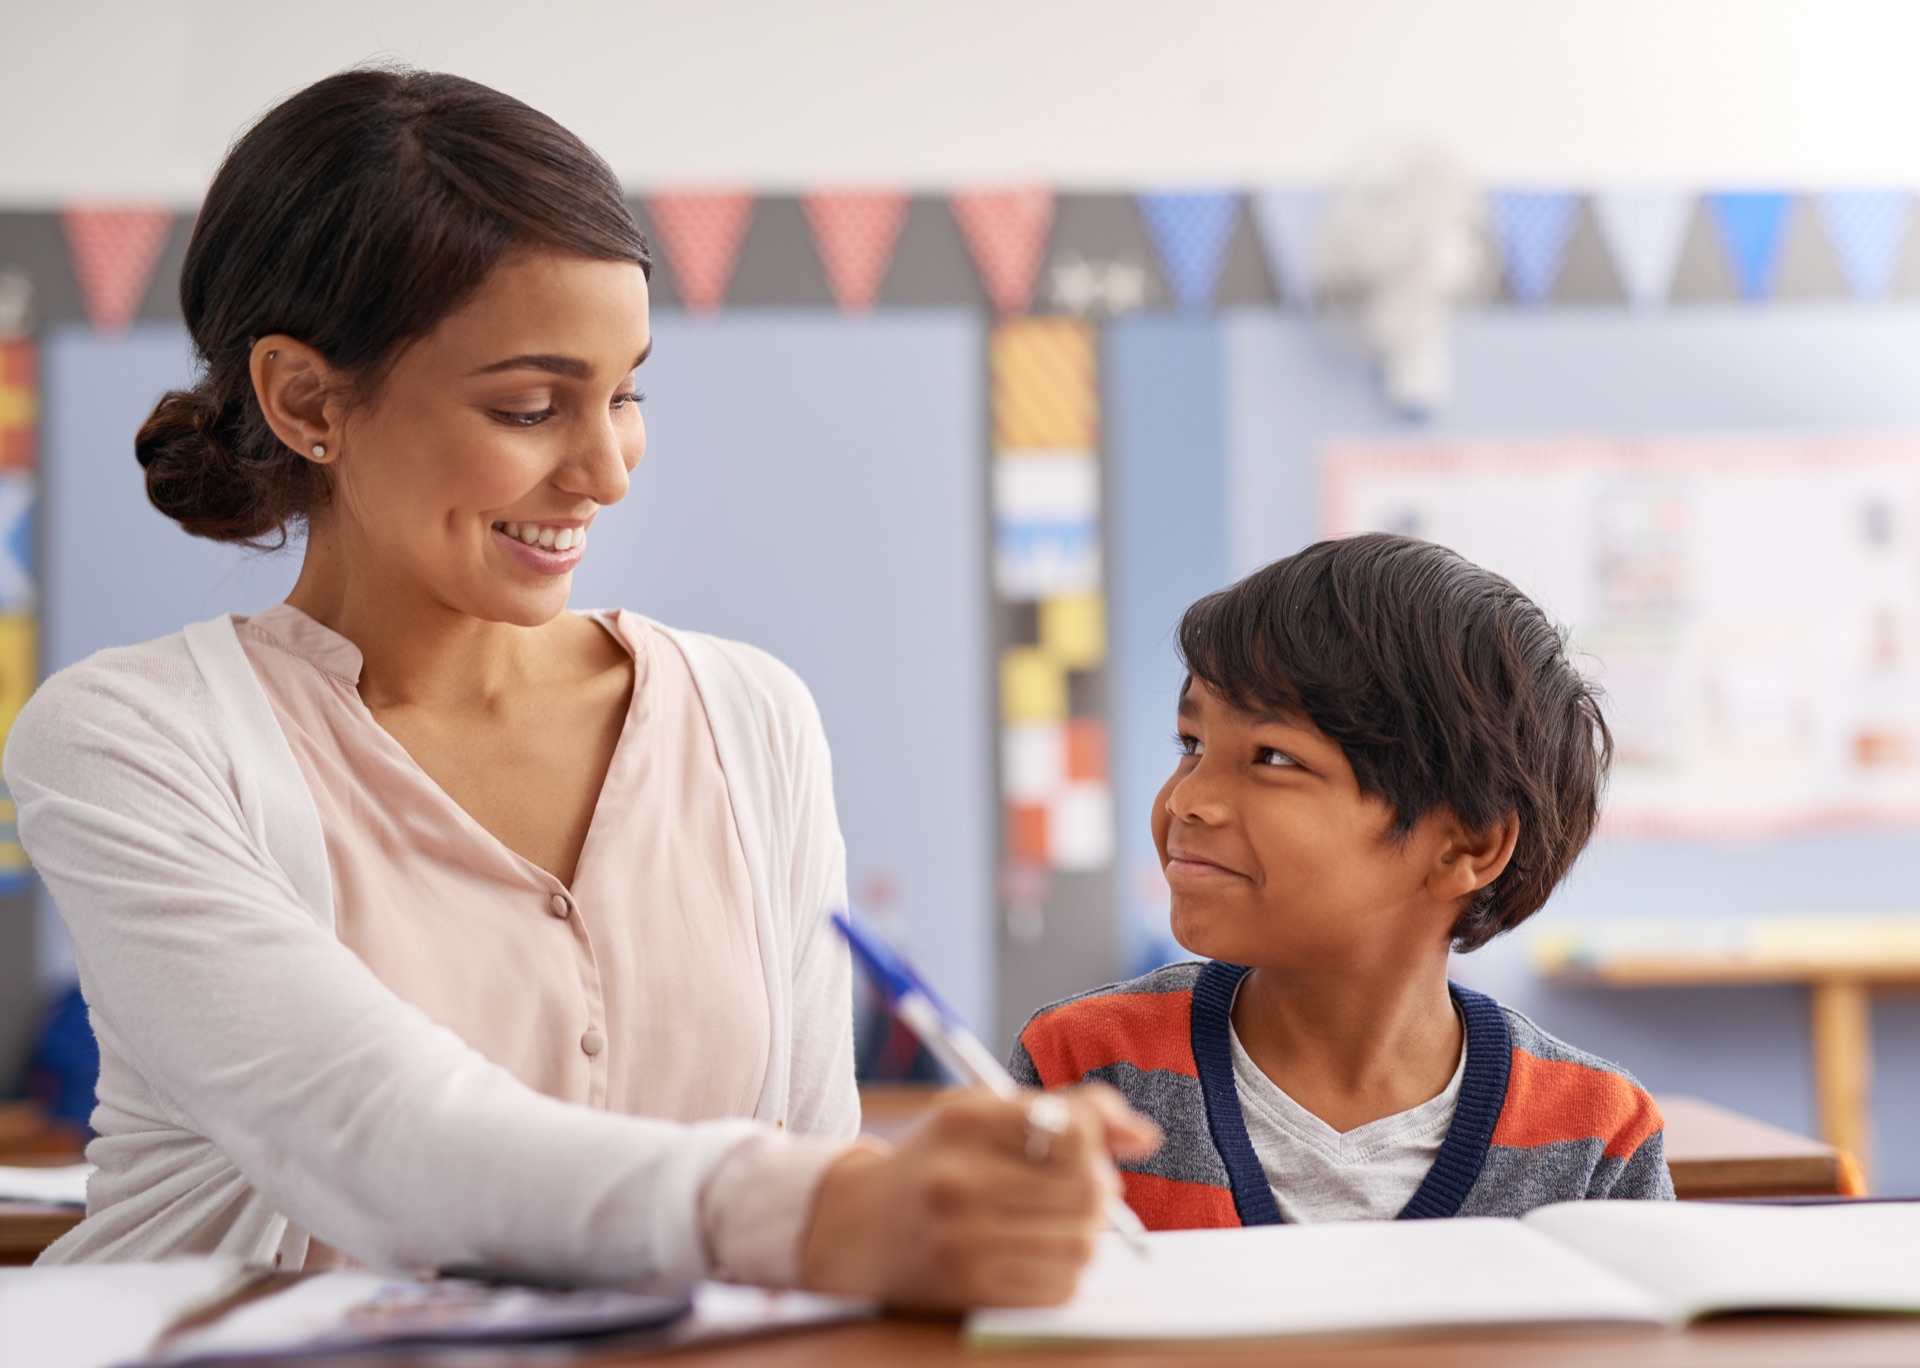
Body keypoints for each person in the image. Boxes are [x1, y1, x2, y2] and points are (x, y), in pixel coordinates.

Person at [5, 66, 1157, 1305]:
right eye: (531, 406)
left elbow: (814, 1166)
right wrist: (830, 1210)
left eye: (626, 394)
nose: (605, 471)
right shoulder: (132, 740)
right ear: (303, 399)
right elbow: (373, 1130)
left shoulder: (748, 716)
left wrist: (955, 1210)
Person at [1011, 534, 1672, 1228]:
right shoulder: (1084, 1069)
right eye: (1192, 745)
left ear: (1467, 846)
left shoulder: (1597, 1137)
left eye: (1272, 757)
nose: (1186, 800)